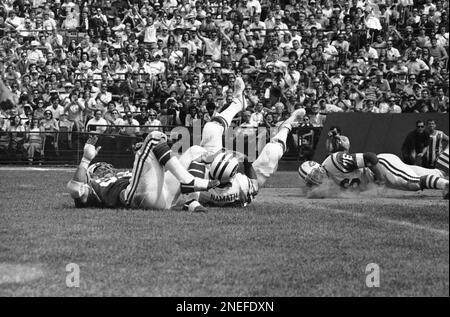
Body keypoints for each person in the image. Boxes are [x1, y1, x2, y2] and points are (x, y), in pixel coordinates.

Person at [180, 77, 306, 210]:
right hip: (243, 185)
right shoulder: (241, 184)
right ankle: (287, 126)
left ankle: (238, 103)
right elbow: (255, 186)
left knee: (211, 128)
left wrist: (207, 158)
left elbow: (195, 167)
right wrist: (245, 160)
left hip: (213, 184)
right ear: (234, 175)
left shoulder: (201, 189)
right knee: (272, 152)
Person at [66, 134, 219, 209]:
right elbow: (75, 190)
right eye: (100, 167)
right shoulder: (94, 186)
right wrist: (86, 160)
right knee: (154, 138)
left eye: (106, 166)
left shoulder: (123, 173)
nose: (105, 168)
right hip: (134, 198)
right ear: (90, 175)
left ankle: (191, 202)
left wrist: (145, 153)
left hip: (161, 194)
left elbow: (152, 174)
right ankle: (190, 182)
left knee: (195, 151)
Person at [298, 151, 449, 199]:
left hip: (381, 167)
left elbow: (370, 158)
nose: (318, 179)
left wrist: (381, 179)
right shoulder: (326, 186)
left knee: (411, 182)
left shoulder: (334, 162)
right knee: (438, 173)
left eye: (316, 174)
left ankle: (445, 186)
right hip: (376, 175)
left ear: (319, 167)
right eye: (313, 179)